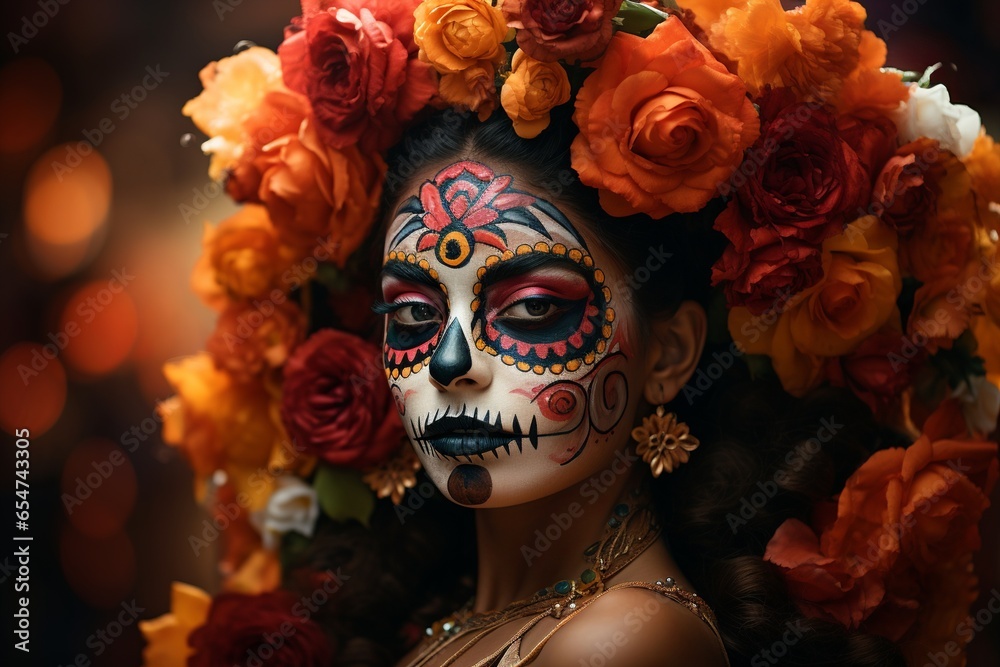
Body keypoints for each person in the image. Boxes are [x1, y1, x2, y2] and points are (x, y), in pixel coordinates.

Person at [149, 1, 1000, 666]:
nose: (447, 362)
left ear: (668, 355)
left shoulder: (620, 640)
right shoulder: (458, 618)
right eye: (412, 317)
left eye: (527, 312)